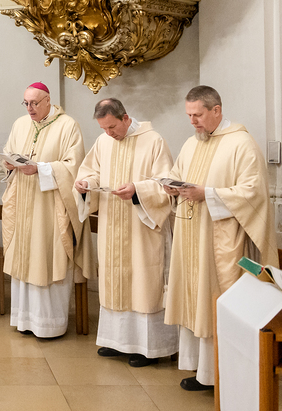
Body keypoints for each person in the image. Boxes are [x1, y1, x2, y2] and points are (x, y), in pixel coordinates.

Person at [164, 85, 277, 391]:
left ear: (216, 110)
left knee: (216, 300)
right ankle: (204, 372)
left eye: (197, 115)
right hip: (192, 237)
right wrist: (172, 187)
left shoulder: (241, 143)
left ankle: (223, 376)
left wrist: (208, 194)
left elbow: (253, 192)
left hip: (222, 240)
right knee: (195, 300)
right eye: (188, 115)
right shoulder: (192, 143)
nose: (192, 122)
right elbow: (177, 172)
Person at [74, 98, 177, 367]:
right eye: (103, 128)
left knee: (143, 283)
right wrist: (85, 184)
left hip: (141, 228)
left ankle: (148, 348)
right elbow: (92, 172)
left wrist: (137, 190)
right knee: (114, 280)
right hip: (112, 224)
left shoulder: (153, 141)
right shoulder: (103, 142)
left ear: (126, 118)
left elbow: (166, 184)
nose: (109, 133)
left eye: (112, 127)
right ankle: (117, 341)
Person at [1, 82, 88, 339]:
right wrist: (10, 164)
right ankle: (24, 320)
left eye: (34, 103)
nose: (29, 108)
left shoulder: (68, 126)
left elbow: (74, 166)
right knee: (24, 258)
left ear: (48, 101)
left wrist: (40, 168)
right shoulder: (20, 124)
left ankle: (49, 325)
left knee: (46, 258)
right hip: (23, 203)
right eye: (26, 103)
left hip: (49, 208)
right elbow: (9, 153)